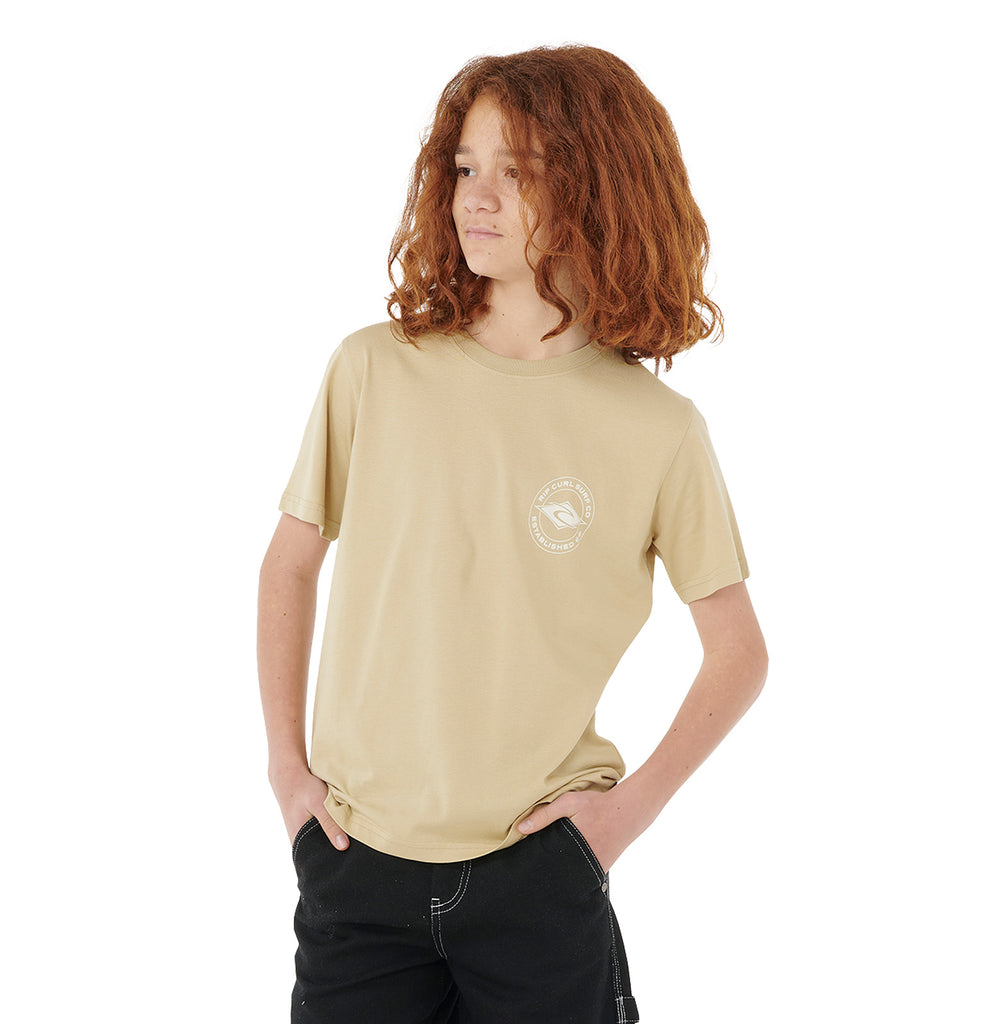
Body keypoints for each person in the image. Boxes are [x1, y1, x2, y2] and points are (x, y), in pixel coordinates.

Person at [257, 43, 768, 1024]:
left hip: (538, 876)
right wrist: (287, 771)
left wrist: (615, 822)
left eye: (517, 171)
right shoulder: (372, 370)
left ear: (596, 189)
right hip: (356, 866)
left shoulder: (657, 430)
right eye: (464, 167)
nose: (476, 197)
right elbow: (289, 566)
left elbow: (738, 652)